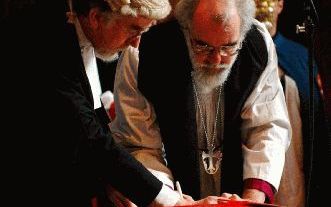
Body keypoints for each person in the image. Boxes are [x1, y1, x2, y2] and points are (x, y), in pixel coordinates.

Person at [110, 0, 291, 205]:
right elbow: (139, 143)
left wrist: (250, 200)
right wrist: (172, 200)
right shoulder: (145, 49)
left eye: (228, 47)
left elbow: (267, 126)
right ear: (185, 27)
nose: (215, 60)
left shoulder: (256, 44)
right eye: (203, 45)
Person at [255, 0, 329, 206]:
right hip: (254, 164)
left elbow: (316, 121)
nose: (262, 6)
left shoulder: (301, 56)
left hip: (294, 163)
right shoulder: (235, 53)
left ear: (280, 4)